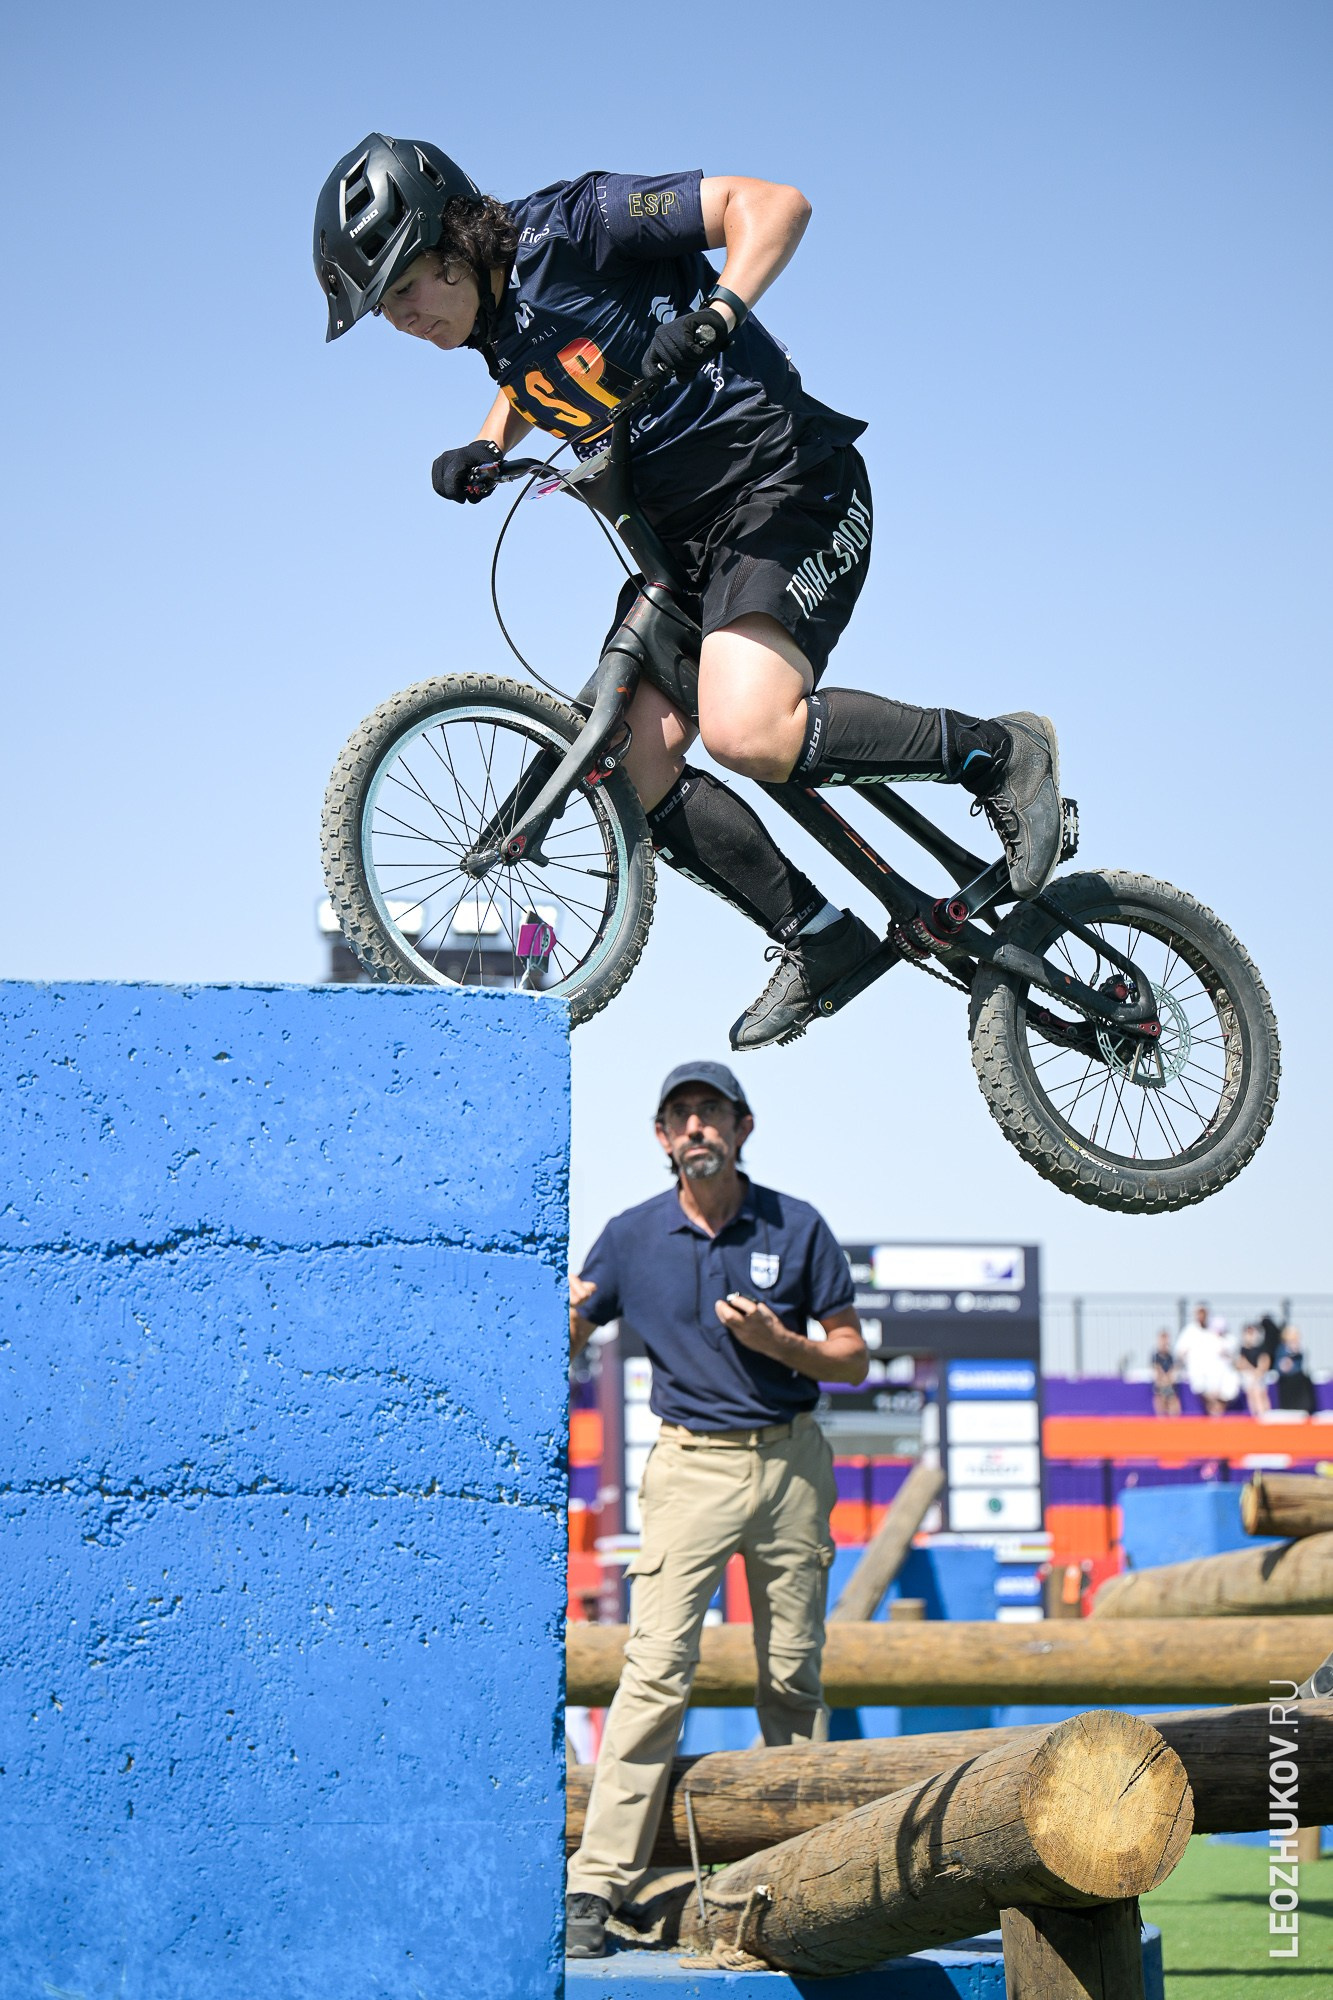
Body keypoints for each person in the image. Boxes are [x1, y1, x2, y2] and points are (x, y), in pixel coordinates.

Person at [313, 136, 1064, 1052]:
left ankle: (998, 753)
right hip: (682, 552)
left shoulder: (581, 222)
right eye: (387, 309)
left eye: (402, 293)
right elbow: (540, 369)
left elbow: (775, 203)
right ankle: (819, 939)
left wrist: (718, 309)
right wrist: (488, 441)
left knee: (749, 729)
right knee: (626, 764)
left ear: (452, 242)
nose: (401, 321)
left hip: (788, 487)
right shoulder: (494, 322)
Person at [562, 1060, 867, 1956]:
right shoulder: (627, 1238)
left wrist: (780, 1341)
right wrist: (557, 1320)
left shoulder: (797, 1224)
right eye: (680, 1116)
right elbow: (575, 1325)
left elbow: (849, 1358)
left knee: (792, 1679)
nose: (696, 1128)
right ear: (661, 1139)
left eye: (711, 1114)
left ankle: (812, 1876)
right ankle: (596, 1884)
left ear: (742, 1128)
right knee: (655, 1672)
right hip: (689, 1466)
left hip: (791, 1464)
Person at [1174, 1303, 1239, 1416]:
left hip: (1217, 1371)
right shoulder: (1190, 1331)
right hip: (1199, 1370)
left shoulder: (1213, 1330)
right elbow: (1180, 1351)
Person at [1274, 1327, 1318, 1416]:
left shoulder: (1298, 1348)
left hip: (1298, 1376)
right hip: (1287, 1379)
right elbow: (1280, 1365)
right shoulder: (1282, 1348)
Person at [1236, 1321, 1275, 1417]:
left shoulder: (1262, 1348)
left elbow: (1264, 1362)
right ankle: (1255, 1415)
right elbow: (1241, 1364)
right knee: (1251, 1391)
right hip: (1248, 1376)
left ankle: (1264, 1413)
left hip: (1260, 1376)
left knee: (1259, 1391)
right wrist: (1252, 1372)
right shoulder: (1242, 1349)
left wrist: (1257, 1373)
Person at [1150, 1328, 1181, 1417]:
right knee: (1160, 1398)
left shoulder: (1170, 1357)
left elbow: (1173, 1371)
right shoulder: (1155, 1356)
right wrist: (1165, 1380)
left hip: (1170, 1386)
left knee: (1174, 1402)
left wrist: (1168, 1380)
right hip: (1160, 1387)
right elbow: (1157, 1372)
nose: (1164, 1342)